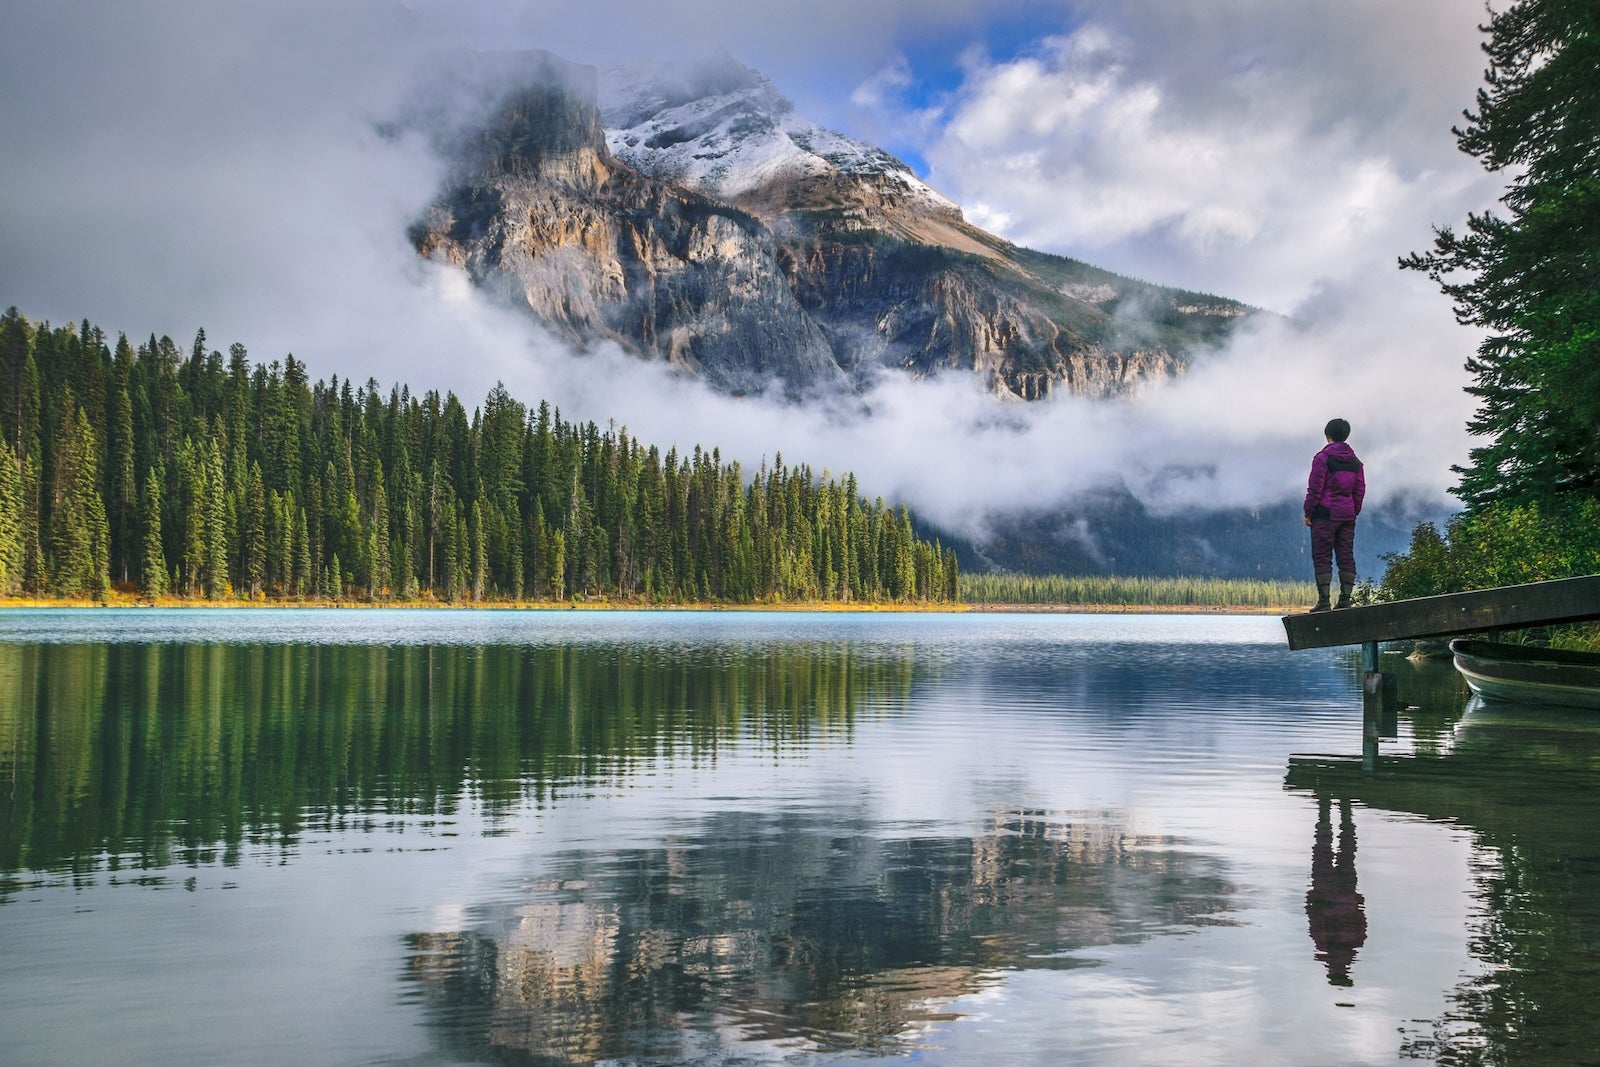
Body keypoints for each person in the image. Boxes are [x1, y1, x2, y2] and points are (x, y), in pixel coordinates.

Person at [1303, 418, 1365, 612]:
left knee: (1322, 556)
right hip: (1347, 516)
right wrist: (1352, 511)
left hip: (1324, 515)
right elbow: (1359, 490)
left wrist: (1308, 512)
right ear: (1345, 436)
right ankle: (1345, 599)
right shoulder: (1356, 463)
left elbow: (1315, 489)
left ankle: (1324, 601)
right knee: (1346, 555)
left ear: (1327, 435)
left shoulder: (1322, 458)